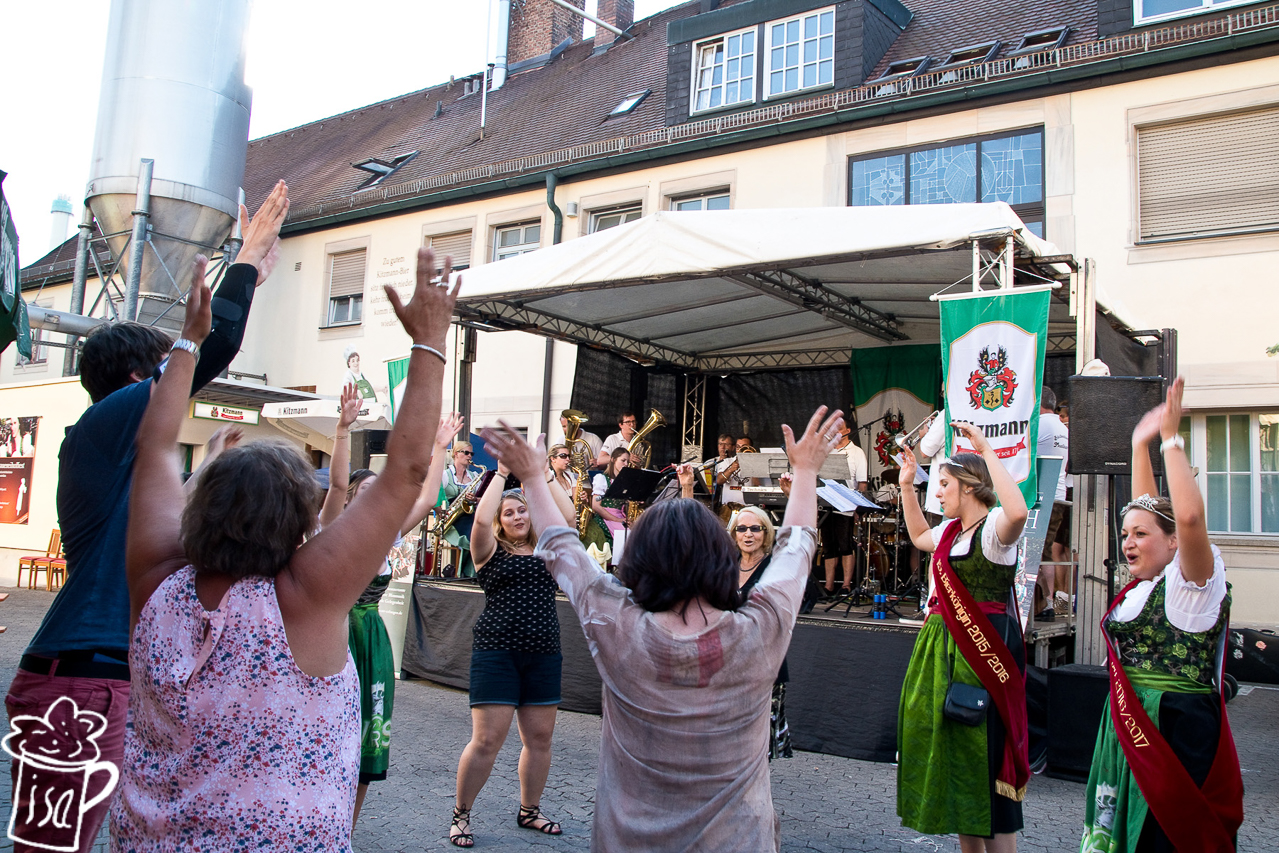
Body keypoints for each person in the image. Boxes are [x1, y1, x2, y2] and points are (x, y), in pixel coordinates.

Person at [112, 246, 458, 849]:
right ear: (299, 523)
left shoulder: (156, 581)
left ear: (201, 503)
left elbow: (156, 446)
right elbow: (407, 470)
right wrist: (430, 341)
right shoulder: (307, 596)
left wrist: (191, 341)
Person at [4, 181, 289, 853]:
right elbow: (208, 345)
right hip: (83, 676)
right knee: (51, 849)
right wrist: (245, 257)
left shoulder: (121, 453)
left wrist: (204, 469)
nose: (179, 381)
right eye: (166, 370)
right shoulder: (110, 418)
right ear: (140, 376)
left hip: (106, 673)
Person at [478, 405, 841, 852]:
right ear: (720, 557)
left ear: (640, 561)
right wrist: (805, 473)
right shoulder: (759, 629)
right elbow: (797, 550)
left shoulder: (617, 623)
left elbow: (560, 547)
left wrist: (533, 478)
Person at [1079, 377, 1242, 853]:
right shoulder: (1145, 586)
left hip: (1175, 730)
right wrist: (1138, 445)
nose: (1127, 542)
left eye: (1139, 536)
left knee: (1161, 838)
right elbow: (1150, 512)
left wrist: (1171, 439)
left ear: (1173, 545)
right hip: (1127, 725)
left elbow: (1185, 519)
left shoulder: (1190, 587)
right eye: (1124, 534)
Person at [319, 385, 460, 827]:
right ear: (351, 498)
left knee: (367, 742)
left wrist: (439, 448)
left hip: (372, 640)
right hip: (334, 637)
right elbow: (338, 482)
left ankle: (346, 830)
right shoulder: (333, 527)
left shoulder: (387, 534)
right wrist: (343, 430)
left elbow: (428, 496)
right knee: (328, 736)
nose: (374, 496)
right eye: (367, 490)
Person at [895, 421, 1030, 853]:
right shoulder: (949, 533)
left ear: (969, 487)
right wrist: (906, 487)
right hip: (941, 651)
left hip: (980, 652)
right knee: (957, 760)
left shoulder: (993, 533)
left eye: (944, 484)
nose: (938, 492)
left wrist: (988, 451)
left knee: (983, 755)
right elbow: (918, 536)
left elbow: (1019, 513)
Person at [450, 466, 576, 847]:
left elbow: (568, 517)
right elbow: (481, 519)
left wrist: (545, 473)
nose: (518, 516)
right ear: (500, 524)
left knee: (540, 739)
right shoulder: (487, 550)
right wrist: (502, 475)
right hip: (496, 653)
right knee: (487, 740)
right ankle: (461, 814)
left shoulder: (547, 548)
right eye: (510, 513)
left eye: (523, 510)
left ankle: (529, 810)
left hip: (543, 652)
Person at [732, 504, 793, 761]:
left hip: (763, 663)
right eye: (742, 529)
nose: (748, 534)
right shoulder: (725, 565)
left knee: (758, 744)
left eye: (755, 529)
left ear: (766, 533)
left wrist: (793, 496)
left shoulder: (774, 567)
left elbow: (797, 544)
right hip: (728, 663)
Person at [1034, 386, 1071, 621]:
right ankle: (1048, 602)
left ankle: (1045, 604)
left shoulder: (1041, 424)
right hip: (1058, 492)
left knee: (1039, 549)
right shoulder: (1062, 427)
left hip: (1042, 493)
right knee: (1046, 550)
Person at [820, 424, 868, 597]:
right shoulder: (826, 451)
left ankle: (846, 584)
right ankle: (829, 585)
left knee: (845, 544)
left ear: (848, 431)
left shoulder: (857, 452)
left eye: (839, 428)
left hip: (847, 504)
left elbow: (862, 483)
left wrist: (858, 507)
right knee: (828, 545)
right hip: (826, 502)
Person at [440, 441, 481, 577]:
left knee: (484, 533)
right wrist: (441, 510)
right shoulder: (446, 475)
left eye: (471, 453)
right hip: (452, 518)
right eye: (466, 453)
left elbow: (486, 499)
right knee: (473, 535)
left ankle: (473, 573)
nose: (470, 456)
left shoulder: (474, 476)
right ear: (456, 454)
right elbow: (436, 493)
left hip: (471, 514)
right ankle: (464, 572)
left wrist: (475, 499)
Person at [590, 447, 631, 545]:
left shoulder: (624, 481)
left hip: (620, 516)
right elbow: (595, 505)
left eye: (628, 461)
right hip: (606, 518)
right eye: (623, 460)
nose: (626, 464)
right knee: (625, 537)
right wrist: (617, 520)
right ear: (613, 459)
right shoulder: (602, 478)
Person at [713, 433, 745, 520]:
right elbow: (719, 481)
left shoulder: (756, 463)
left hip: (748, 507)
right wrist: (730, 469)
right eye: (720, 444)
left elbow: (758, 484)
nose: (723, 447)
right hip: (728, 507)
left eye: (726, 444)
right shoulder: (726, 461)